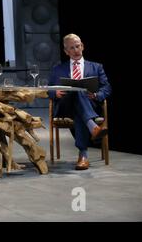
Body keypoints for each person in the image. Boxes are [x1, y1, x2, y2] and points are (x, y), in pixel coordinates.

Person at [48, 33, 112, 170]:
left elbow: (107, 88)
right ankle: (93, 127)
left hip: (89, 105)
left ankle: (83, 155)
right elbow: (48, 89)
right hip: (65, 107)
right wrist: (55, 93)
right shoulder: (58, 69)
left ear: (82, 46)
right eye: (71, 48)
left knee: (80, 99)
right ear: (66, 51)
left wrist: (96, 95)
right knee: (77, 90)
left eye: (77, 46)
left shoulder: (96, 67)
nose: (76, 50)